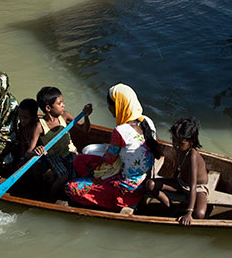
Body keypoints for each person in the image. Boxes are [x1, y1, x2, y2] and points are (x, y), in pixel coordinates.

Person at [66, 83, 161, 211]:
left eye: (110, 106)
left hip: (126, 191)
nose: (109, 109)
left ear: (118, 106)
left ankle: (100, 192)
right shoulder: (147, 121)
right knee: (79, 160)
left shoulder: (120, 131)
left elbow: (109, 160)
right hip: (143, 179)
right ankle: (93, 182)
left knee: (71, 188)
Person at [27, 86, 92, 197]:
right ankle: (50, 196)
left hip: (70, 152)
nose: (63, 105)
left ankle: (69, 193)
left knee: (75, 175)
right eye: (59, 103)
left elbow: (85, 129)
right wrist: (36, 152)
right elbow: (28, 152)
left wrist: (86, 116)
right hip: (54, 156)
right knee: (64, 176)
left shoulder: (64, 116)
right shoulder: (39, 126)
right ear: (48, 108)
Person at [143, 117, 208, 225]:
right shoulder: (179, 149)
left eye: (181, 143)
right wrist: (172, 181)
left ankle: (185, 209)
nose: (176, 145)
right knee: (150, 184)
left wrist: (189, 212)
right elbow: (178, 168)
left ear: (190, 142)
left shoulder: (193, 155)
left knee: (199, 214)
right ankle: (172, 208)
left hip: (197, 188)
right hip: (181, 182)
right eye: (174, 140)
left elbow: (193, 185)